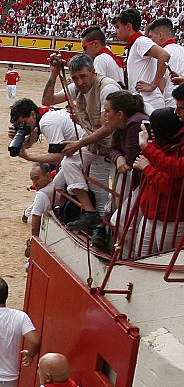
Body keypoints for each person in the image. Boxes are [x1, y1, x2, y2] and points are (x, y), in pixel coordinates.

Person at [41, 54, 119, 230]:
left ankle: (102, 228)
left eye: (83, 76)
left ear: (93, 72)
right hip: (97, 144)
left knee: (116, 194)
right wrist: (54, 73)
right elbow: (47, 101)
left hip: (117, 146)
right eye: (75, 78)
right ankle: (89, 213)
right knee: (69, 163)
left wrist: (78, 144)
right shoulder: (79, 88)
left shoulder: (107, 88)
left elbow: (108, 128)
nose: (79, 82)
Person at [10, 98, 100, 228]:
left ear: (33, 115)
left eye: (22, 123)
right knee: (57, 184)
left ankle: (92, 217)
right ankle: (70, 214)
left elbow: (57, 157)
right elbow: (29, 142)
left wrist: (30, 158)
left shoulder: (47, 122)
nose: (22, 127)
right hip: (85, 149)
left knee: (91, 186)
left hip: (90, 150)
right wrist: (16, 138)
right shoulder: (45, 115)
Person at [133, 106, 184, 255]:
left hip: (172, 220)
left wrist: (147, 168)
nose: (151, 132)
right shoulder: (158, 146)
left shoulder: (179, 150)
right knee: (140, 255)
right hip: (151, 213)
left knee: (164, 260)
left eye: (154, 128)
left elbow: (169, 186)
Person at [103, 91, 148, 255]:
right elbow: (113, 150)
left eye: (108, 111)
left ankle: (126, 257)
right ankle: (125, 256)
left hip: (145, 182)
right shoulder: (125, 124)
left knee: (121, 222)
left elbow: (130, 161)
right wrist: (118, 158)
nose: (105, 115)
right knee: (122, 221)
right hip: (139, 181)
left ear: (120, 114)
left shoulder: (134, 124)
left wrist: (120, 158)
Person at [114, 9, 169, 115]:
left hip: (149, 102)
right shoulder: (135, 44)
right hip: (145, 101)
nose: (116, 31)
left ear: (128, 26)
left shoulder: (140, 41)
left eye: (118, 27)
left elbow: (164, 55)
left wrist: (153, 85)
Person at [145, 18, 184, 109]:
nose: (150, 41)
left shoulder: (161, 54)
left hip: (172, 105)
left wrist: (151, 86)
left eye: (151, 37)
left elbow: (160, 86)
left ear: (160, 35)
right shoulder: (182, 49)